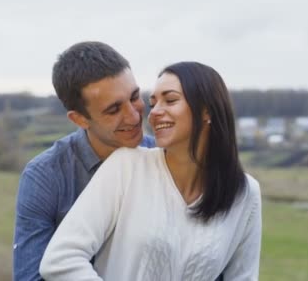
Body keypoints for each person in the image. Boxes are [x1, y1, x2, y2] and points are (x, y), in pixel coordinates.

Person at [39, 62, 262, 280]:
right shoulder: (126, 167)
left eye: (171, 100)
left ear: (206, 110)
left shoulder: (245, 194)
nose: (154, 112)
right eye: (153, 103)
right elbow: (61, 259)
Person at [12, 41, 155, 281]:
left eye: (134, 97)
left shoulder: (168, 156)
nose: (133, 116)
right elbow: (30, 277)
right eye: (113, 110)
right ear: (79, 119)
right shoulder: (45, 176)